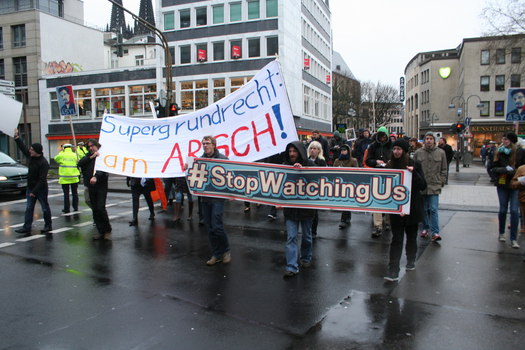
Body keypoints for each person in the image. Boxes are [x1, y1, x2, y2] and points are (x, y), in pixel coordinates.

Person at [384, 139, 427, 282]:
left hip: (412, 208)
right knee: (396, 239)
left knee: (411, 237)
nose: (396, 152)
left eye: (399, 149)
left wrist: (414, 173)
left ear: (404, 151)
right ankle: (393, 270)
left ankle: (410, 260)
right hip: (396, 209)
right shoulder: (390, 166)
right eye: (394, 149)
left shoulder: (415, 164)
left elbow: (422, 186)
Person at [282, 141, 315, 277]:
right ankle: (291, 266)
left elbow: (317, 182)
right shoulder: (285, 166)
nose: (292, 154)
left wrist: (303, 171)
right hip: (291, 209)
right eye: (290, 151)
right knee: (291, 237)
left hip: (307, 208)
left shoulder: (311, 165)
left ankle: (306, 258)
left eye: (294, 151)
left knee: (307, 237)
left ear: (300, 151)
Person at [199, 136, 231, 266]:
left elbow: (230, 176)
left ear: (214, 145)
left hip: (218, 198)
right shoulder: (199, 160)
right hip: (205, 198)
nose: (205, 146)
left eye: (207, 143)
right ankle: (216, 254)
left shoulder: (223, 159)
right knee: (210, 227)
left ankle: (226, 251)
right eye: (203, 144)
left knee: (217, 226)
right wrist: (188, 168)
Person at [13, 129, 52, 236]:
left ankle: (48, 225)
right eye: (30, 149)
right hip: (31, 188)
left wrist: (34, 191)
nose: (30, 151)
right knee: (29, 208)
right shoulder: (31, 157)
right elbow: (23, 148)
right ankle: (27, 227)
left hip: (40, 189)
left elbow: (42, 179)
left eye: (32, 150)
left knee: (44, 207)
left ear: (37, 151)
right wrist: (17, 138)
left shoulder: (43, 163)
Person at [413, 131, 447, 242]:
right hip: (422, 185)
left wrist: (441, 181)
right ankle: (425, 228)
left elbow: (444, 169)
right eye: (427, 138)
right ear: (424, 140)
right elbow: (415, 169)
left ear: (434, 140)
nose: (428, 140)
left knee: (433, 209)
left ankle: (435, 231)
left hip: (434, 185)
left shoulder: (441, 153)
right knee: (424, 209)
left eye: (431, 138)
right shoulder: (418, 153)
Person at [489, 132, 520, 248]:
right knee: (502, 210)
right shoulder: (498, 152)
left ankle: (513, 238)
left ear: (511, 141)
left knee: (514, 211)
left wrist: (514, 172)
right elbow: (492, 168)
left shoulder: (519, 152)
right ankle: (501, 233)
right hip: (502, 184)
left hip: (515, 184)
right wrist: (503, 170)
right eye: (503, 139)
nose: (504, 141)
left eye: (506, 139)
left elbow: (522, 167)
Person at [78, 139, 112, 241]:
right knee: (95, 209)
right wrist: (90, 157)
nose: (90, 148)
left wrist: (96, 177)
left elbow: (103, 170)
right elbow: (80, 163)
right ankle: (100, 230)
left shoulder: (103, 156)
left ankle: (107, 230)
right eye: (89, 147)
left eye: (92, 146)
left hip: (100, 186)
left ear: (97, 145)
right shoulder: (89, 156)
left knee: (100, 207)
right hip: (91, 186)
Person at [365, 126, 393, 237]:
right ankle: (378, 225)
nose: (382, 138)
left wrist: (390, 162)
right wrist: (375, 161)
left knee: (389, 199)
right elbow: (368, 160)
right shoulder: (373, 147)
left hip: (389, 176)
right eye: (380, 136)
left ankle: (388, 222)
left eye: (384, 136)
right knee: (376, 200)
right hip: (377, 176)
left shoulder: (392, 146)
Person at [333, 144, 358, 229]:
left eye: (345, 150)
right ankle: (347, 217)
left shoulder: (353, 160)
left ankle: (343, 219)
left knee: (347, 201)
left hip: (350, 183)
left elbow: (356, 172)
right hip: (340, 183)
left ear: (348, 151)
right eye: (341, 150)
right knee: (344, 201)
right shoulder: (337, 161)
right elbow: (333, 171)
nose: (343, 151)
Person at [307, 141, 326, 238]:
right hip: (306, 187)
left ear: (319, 150)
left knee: (314, 211)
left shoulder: (322, 161)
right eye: (311, 148)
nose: (312, 150)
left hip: (316, 188)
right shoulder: (305, 160)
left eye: (315, 148)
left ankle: (313, 231)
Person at [54, 143, 80, 213]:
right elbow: (79, 162)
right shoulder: (75, 155)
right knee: (75, 193)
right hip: (74, 177)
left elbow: (55, 159)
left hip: (64, 178)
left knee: (66, 194)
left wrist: (62, 152)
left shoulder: (61, 155)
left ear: (64, 148)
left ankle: (67, 209)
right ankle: (76, 207)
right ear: (71, 148)